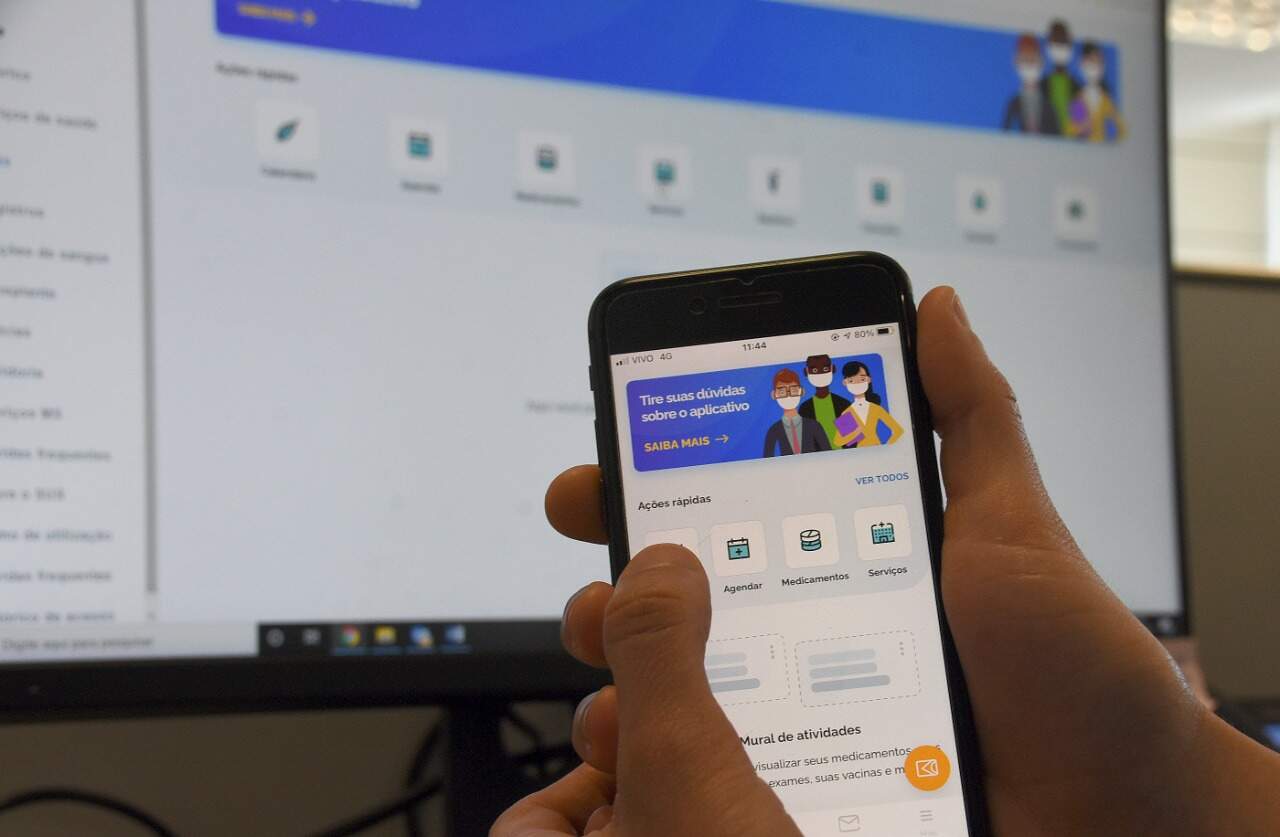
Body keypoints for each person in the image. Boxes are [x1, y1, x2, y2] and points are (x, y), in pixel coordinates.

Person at [494, 286, 1280, 836]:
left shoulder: (852, 425)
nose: (818, 386)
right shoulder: (778, 434)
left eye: (832, 375)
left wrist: (1170, 784)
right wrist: (1177, 788)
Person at [832, 360, 903, 448]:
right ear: (845, 382)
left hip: (877, 449)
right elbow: (838, 441)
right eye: (851, 380)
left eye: (862, 379)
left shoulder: (875, 408)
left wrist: (886, 447)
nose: (857, 383)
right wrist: (856, 433)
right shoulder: (847, 412)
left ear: (869, 380)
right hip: (858, 452)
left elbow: (898, 430)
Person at [762, 368, 831, 457]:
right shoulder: (774, 430)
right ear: (774, 394)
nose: (788, 396)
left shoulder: (814, 425)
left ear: (802, 391)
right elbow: (767, 458)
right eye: (782, 392)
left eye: (794, 390)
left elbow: (828, 452)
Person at [1002, 33, 1059, 135]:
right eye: (1025, 60)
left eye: (1032, 60)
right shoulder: (1013, 104)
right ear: (1016, 63)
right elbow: (1005, 133)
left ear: (1041, 62)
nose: (1029, 65)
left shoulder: (1050, 105)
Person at [1071, 41, 1127, 143]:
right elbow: (1072, 130)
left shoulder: (1106, 100)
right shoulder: (1077, 100)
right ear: (1082, 64)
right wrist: (1081, 129)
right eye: (1091, 61)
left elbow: (1122, 130)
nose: (1094, 66)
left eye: (1098, 62)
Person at [797, 354, 850, 449]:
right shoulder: (805, 408)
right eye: (814, 370)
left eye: (825, 369)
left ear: (833, 369)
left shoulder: (843, 404)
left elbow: (851, 437)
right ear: (806, 372)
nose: (820, 374)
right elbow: (806, 441)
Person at [1045, 19, 1081, 137]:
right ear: (1048, 45)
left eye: (1063, 42)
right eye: (1056, 42)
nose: (1060, 47)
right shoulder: (1042, 85)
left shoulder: (1076, 86)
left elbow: (1080, 120)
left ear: (1070, 46)